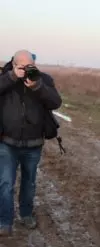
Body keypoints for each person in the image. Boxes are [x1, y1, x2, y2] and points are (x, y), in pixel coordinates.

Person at [0, 50, 62, 236]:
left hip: (34, 143)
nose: (27, 70)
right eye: (22, 66)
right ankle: (4, 221)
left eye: (30, 66)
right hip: (7, 142)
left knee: (29, 182)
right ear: (14, 64)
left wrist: (37, 86)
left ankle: (26, 214)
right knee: (5, 183)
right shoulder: (5, 78)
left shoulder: (43, 79)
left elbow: (55, 102)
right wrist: (12, 77)